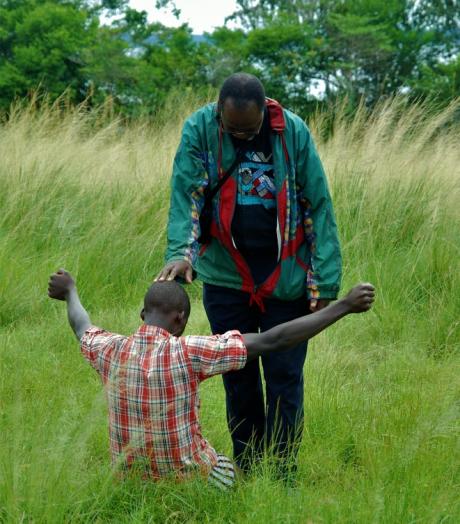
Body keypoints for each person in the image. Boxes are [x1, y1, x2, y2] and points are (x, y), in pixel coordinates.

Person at [157, 72, 342, 472]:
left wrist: (324, 278)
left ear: (264, 114)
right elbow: (185, 192)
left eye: (249, 130)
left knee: (285, 377)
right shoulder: (200, 129)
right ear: (219, 114)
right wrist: (181, 252)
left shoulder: (291, 132)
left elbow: (318, 203)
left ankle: (282, 470)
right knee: (236, 373)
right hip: (227, 276)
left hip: (287, 276)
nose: (241, 137)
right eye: (232, 130)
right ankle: (248, 466)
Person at [48, 269, 374, 487]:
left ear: (143, 315)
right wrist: (343, 306)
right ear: (181, 320)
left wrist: (70, 292)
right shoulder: (190, 352)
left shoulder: (110, 351)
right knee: (234, 476)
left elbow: (82, 326)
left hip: (127, 480)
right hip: (192, 478)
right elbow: (274, 340)